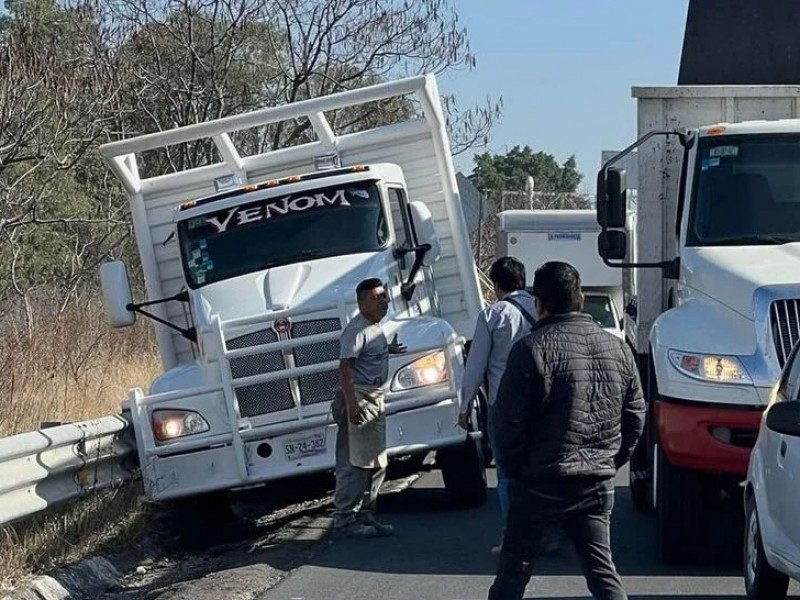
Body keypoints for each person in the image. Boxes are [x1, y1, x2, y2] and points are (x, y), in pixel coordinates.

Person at [487, 261, 645, 600]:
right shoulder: (618, 348)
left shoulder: (530, 348)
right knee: (602, 573)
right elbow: (635, 415)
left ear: (538, 304)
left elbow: (507, 421)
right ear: (581, 300)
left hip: (539, 479)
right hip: (595, 478)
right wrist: (612, 460)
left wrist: (515, 470)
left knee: (513, 575)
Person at [456, 257, 537, 555]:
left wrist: (464, 406)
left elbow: (476, 366)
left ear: (496, 284)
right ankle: (549, 532)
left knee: (506, 473)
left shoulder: (492, 315)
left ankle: (513, 537)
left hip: (504, 404)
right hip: (541, 401)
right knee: (541, 467)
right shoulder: (541, 308)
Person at [331, 277, 407, 539]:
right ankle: (344, 519)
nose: (383, 301)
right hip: (359, 397)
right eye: (376, 297)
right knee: (355, 462)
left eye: (384, 296)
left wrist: (390, 350)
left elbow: (370, 355)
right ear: (361, 302)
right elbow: (344, 369)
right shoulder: (356, 330)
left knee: (376, 463)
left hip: (375, 397)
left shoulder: (376, 327)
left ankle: (365, 514)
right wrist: (352, 404)